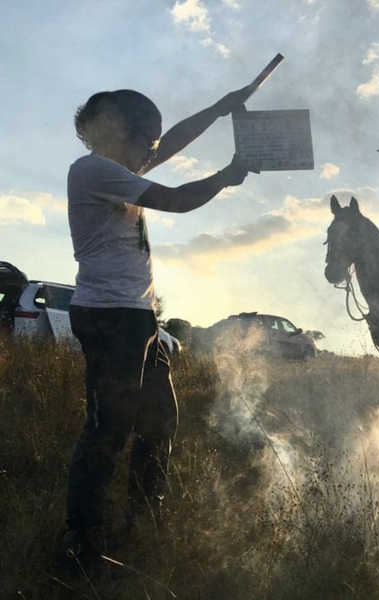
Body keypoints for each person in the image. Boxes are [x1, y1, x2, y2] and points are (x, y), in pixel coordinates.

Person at [62, 87, 255, 562]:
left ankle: (142, 522)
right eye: (146, 137)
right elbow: (178, 199)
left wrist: (219, 106)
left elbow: (175, 141)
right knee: (109, 430)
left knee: (159, 422)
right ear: (114, 131)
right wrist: (227, 175)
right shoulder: (93, 170)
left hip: (138, 316)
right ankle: (82, 541)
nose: (155, 146)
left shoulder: (119, 168)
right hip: (112, 318)